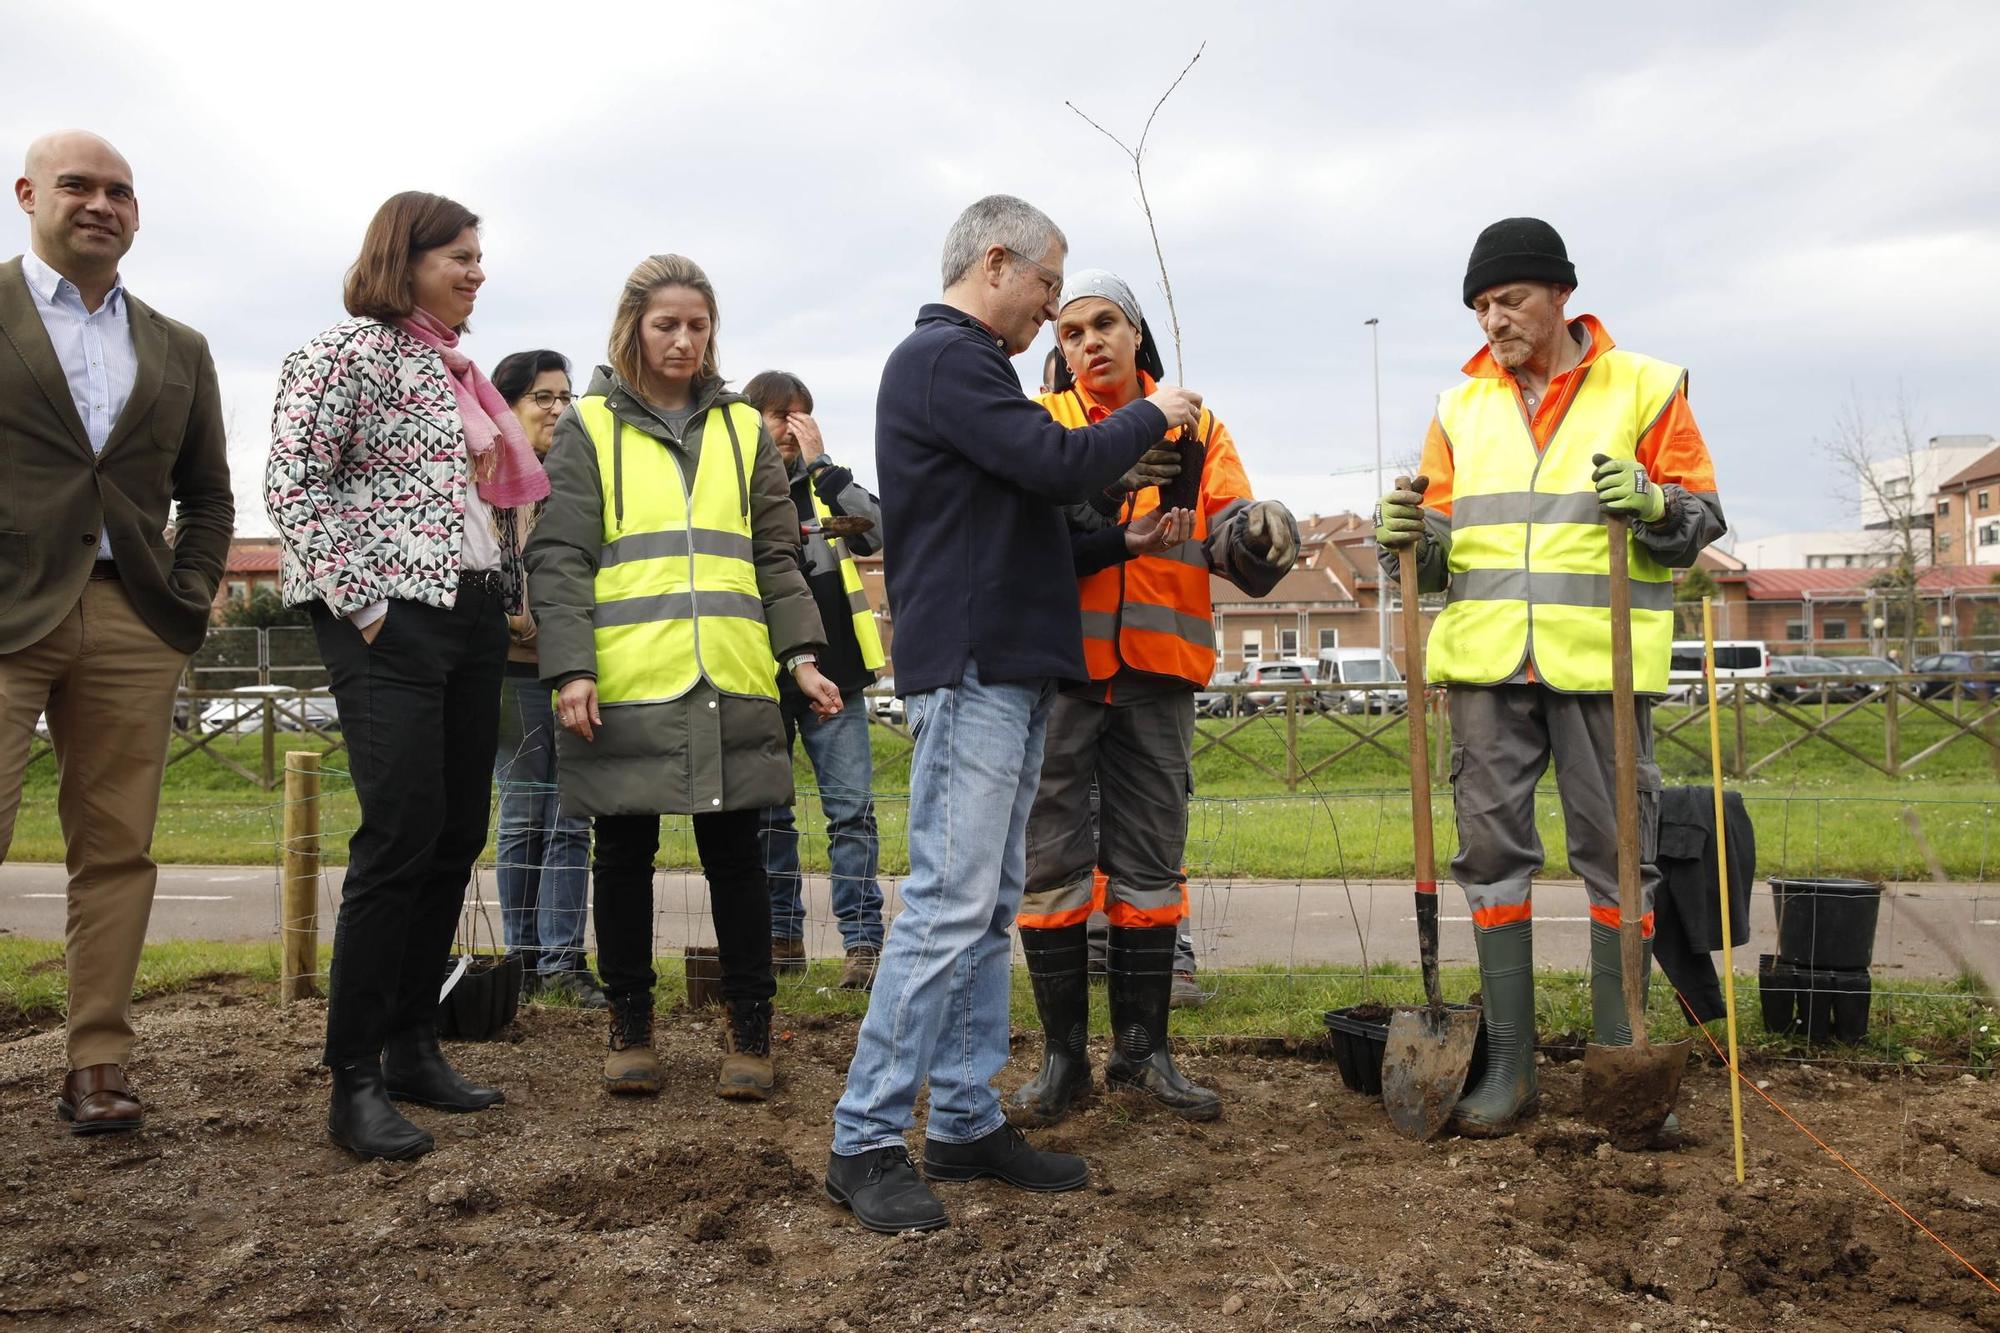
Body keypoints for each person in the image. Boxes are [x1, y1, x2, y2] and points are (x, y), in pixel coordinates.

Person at [824, 195, 1203, 1235]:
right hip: (977, 667)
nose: (1048, 311)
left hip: (1013, 664)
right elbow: (1053, 463)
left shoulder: (969, 376)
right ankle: (862, 1138)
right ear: (997, 262)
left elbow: (1032, 522)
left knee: (986, 907)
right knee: (951, 903)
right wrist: (1156, 414)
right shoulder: (941, 361)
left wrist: (1123, 543)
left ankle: (959, 1119)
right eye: (1045, 287)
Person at [1374, 217, 1724, 1138]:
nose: (1495, 320)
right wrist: (1408, 542)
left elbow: (1699, 515)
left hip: (1602, 664)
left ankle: (1621, 1059)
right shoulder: (1459, 408)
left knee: (1618, 853)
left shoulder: (1645, 387)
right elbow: (1444, 549)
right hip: (1488, 664)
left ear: (1561, 294)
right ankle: (1515, 1069)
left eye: (1511, 299)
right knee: (1490, 856)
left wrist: (1657, 505)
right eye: (1482, 305)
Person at [268, 191, 548, 1160]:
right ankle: (351, 1079)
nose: (476, 270)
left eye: (480, 256)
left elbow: (473, 508)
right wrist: (366, 604)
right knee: (396, 833)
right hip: (389, 618)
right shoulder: (344, 354)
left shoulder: (458, 372)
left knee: (454, 827)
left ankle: (412, 1045)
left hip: (468, 615)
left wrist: (503, 594)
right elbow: (293, 482)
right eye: (456, 256)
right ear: (404, 258)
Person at [526, 255, 837, 1105]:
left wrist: (801, 658)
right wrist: (572, 668)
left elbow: (776, 556)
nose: (683, 339)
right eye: (666, 323)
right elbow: (558, 557)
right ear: (633, 327)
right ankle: (630, 1026)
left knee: (738, 856)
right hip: (625, 683)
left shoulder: (744, 431)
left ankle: (750, 1029)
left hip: (732, 677)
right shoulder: (587, 426)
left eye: (697, 324)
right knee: (622, 854)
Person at [1013, 269, 1299, 1125]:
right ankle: (1064, 1061)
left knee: (1149, 865)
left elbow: (1229, 534)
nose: (1088, 341)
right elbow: (1029, 534)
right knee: (1051, 863)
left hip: (1160, 670)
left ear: (1138, 334)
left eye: (1104, 324)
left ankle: (1144, 1055)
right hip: (1062, 673)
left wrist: (1258, 532)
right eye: (1070, 331)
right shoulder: (1044, 427)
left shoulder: (1198, 423)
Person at [0, 130, 232, 1135]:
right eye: (78, 186)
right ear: (26, 195)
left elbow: (209, 494)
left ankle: (98, 1060)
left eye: (120, 191)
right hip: (8, 612)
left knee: (116, 850)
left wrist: (185, 594)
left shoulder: (178, 346)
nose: (101, 203)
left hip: (132, 614)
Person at [743, 370, 887, 990]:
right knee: (769, 816)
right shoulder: (736, 490)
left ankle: (862, 944)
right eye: (778, 414)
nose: (788, 428)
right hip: (758, 673)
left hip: (839, 676)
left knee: (851, 813)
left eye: (800, 415)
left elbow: (881, 532)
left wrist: (825, 464)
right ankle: (781, 937)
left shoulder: (828, 489)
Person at [489, 349, 604, 1009]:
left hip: (575, 668)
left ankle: (564, 960)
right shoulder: (487, 480)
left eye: (564, 396)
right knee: (526, 811)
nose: (557, 408)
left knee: (573, 817)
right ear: (507, 405)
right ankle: (521, 958)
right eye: (541, 397)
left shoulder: (575, 479)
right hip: (513, 673)